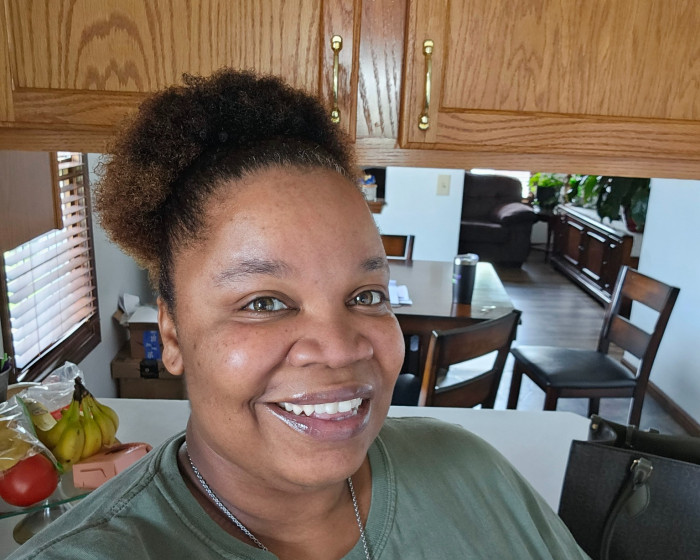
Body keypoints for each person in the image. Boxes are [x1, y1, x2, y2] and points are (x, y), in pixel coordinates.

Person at [7, 69, 589, 560]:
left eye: (366, 295)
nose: (339, 347)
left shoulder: (471, 473)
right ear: (173, 334)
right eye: (264, 303)